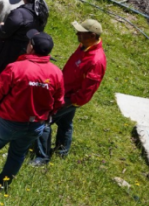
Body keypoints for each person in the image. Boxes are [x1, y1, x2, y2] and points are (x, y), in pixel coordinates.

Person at [0, 30, 64, 192]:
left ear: (31, 47)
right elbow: (59, 101)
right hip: (35, 125)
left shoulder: (16, 68)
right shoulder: (56, 73)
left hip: (7, 122)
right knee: (17, 154)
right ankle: (0, 186)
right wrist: (47, 115)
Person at [32, 19, 107, 165]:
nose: (77, 34)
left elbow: (87, 91)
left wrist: (68, 102)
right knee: (65, 123)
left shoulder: (96, 60)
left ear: (92, 35)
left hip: (70, 98)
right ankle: (61, 152)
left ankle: (42, 157)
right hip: (64, 91)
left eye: (81, 32)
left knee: (44, 120)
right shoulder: (84, 46)